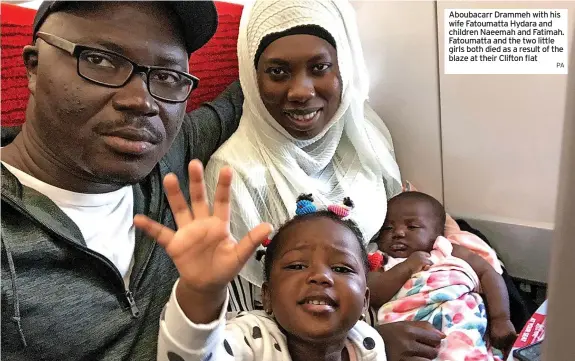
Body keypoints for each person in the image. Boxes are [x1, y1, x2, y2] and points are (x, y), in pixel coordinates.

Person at [0, 2, 244, 360]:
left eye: (166, 76)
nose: (141, 102)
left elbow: (250, 92)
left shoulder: (170, 158)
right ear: (33, 66)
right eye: (100, 60)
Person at [204, 0, 401, 315]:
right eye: (278, 71)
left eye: (319, 68)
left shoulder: (366, 137)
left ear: (344, 68)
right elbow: (247, 316)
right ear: (253, 79)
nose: (301, 91)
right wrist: (370, 337)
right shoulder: (233, 175)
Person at [134, 162, 387, 361]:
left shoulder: (367, 344)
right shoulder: (251, 339)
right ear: (267, 297)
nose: (320, 276)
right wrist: (202, 293)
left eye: (341, 268)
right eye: (297, 266)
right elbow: (194, 355)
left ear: (365, 301)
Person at [368, 191, 517, 360]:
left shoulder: (447, 249)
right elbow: (371, 293)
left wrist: (501, 319)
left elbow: (488, 274)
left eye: (412, 227)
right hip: (414, 338)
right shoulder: (381, 260)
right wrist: (407, 267)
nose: (398, 233)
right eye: (388, 228)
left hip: (464, 327)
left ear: (436, 234)